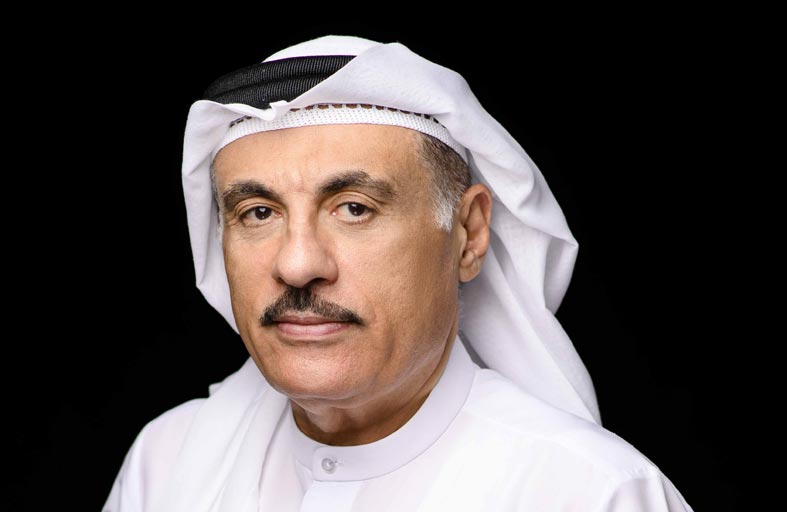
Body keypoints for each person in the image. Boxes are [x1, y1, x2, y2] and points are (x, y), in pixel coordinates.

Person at [103, 35, 695, 511]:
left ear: (468, 235)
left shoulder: (590, 493)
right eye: (259, 213)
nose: (298, 264)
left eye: (354, 208)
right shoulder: (166, 463)